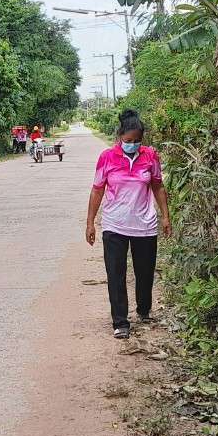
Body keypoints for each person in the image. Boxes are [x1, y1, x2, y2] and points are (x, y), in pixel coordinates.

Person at [84, 109, 171, 338]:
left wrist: (165, 216)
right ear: (119, 137)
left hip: (145, 225)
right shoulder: (107, 157)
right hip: (114, 224)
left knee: (145, 272)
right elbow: (97, 190)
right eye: (128, 141)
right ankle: (120, 321)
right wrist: (90, 222)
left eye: (137, 141)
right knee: (116, 274)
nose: (132, 145)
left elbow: (158, 186)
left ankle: (144, 310)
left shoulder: (150, 156)